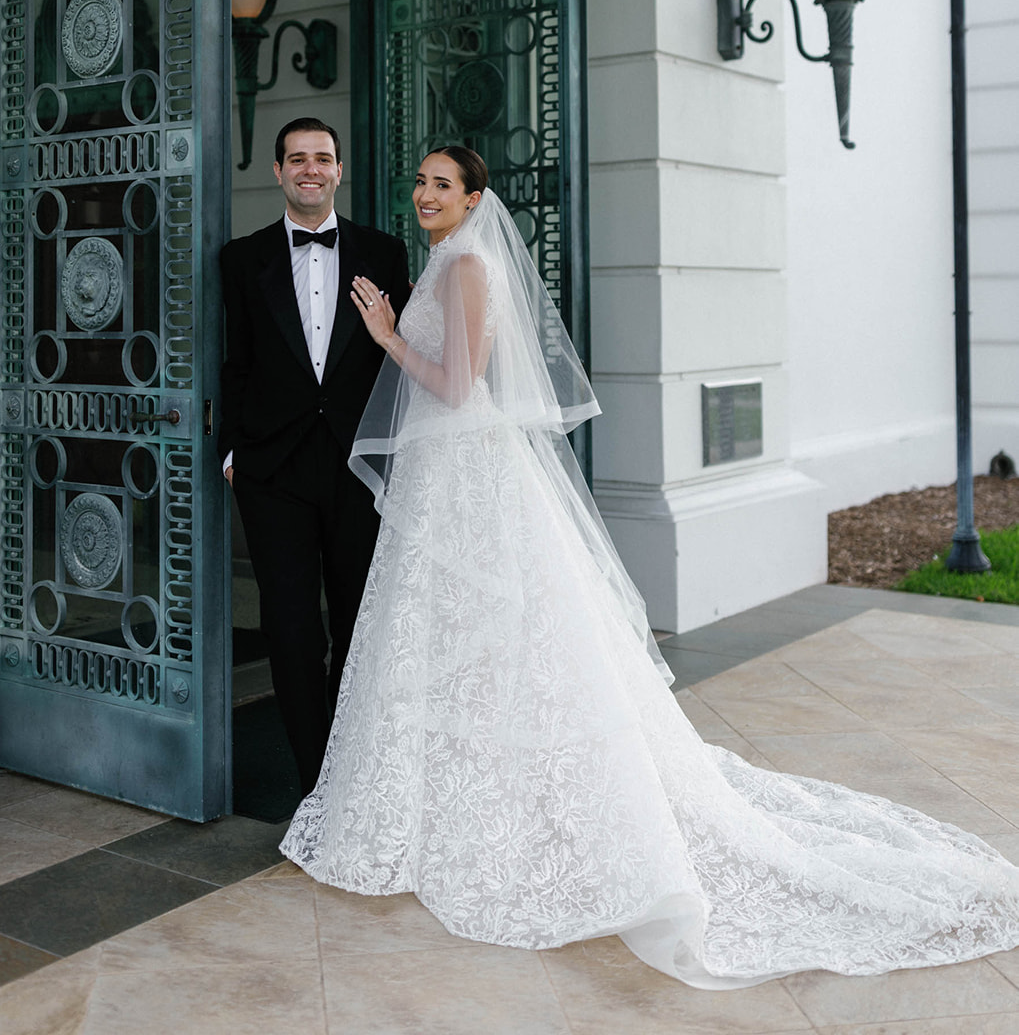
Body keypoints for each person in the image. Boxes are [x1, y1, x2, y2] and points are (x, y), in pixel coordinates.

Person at [281, 146, 1019, 987]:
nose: (421, 195)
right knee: (445, 638)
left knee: (487, 632)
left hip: (470, 472)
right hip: (451, 474)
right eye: (417, 182)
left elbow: (457, 387)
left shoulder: (469, 266)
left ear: (473, 198)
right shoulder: (445, 261)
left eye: (440, 186)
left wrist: (384, 336)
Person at [217, 117, 410, 794]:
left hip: (356, 465)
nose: (310, 169)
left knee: (360, 619)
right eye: (296, 159)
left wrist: (394, 454)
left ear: (337, 169)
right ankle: (315, 781)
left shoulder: (385, 254)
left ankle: (354, 767)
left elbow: (400, 366)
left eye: (322, 158)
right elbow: (233, 362)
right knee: (293, 631)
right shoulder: (241, 260)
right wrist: (231, 455)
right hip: (272, 472)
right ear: (276, 171)